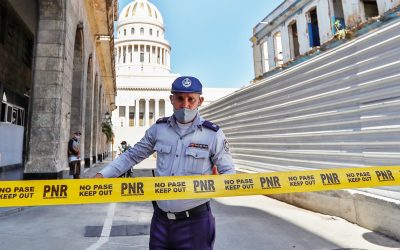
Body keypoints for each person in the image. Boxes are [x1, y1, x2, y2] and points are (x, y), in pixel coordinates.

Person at [94, 76, 235, 250]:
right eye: (180, 98)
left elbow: (228, 174)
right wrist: (103, 175)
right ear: (171, 99)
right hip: (161, 221)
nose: (185, 105)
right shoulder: (158, 130)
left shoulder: (212, 134)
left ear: (200, 101)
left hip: (195, 223)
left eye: (191, 99)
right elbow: (132, 156)